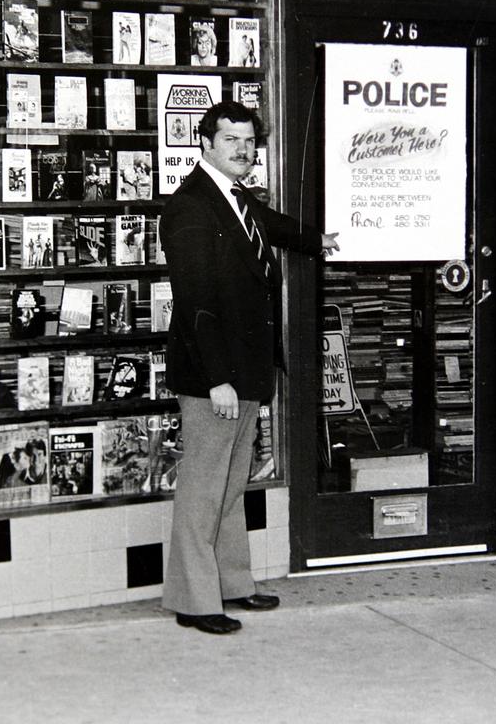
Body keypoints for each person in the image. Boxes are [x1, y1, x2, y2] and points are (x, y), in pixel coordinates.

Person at [160, 101, 339, 635]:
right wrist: (217, 378)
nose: (243, 149)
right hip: (214, 376)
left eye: (248, 140)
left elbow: (271, 227)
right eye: (230, 139)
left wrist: (318, 240)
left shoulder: (236, 200)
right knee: (203, 485)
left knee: (233, 481)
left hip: (246, 369)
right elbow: (196, 302)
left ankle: (233, 583)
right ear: (205, 144)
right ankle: (193, 600)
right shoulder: (190, 206)